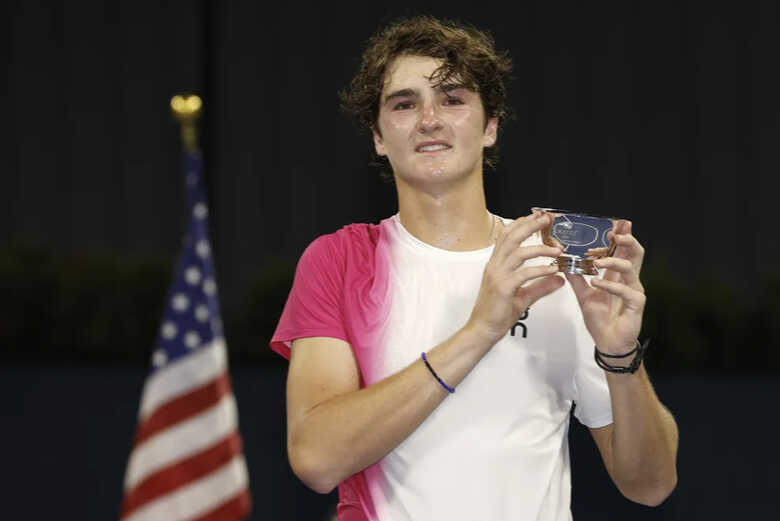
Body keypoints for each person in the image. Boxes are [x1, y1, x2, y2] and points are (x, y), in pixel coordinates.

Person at [271, 15, 678, 521]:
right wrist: (481, 329)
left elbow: (652, 485)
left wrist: (620, 357)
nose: (429, 119)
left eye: (453, 99)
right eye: (404, 103)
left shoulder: (558, 265)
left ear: (490, 127)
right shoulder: (342, 260)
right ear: (378, 136)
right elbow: (316, 458)